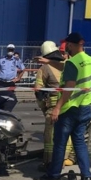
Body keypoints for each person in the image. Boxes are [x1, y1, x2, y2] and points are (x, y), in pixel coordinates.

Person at [36, 32, 91, 180]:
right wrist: (48, 61)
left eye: (67, 44)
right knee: (79, 142)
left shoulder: (72, 63)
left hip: (70, 108)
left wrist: (57, 107)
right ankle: (87, 177)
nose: (66, 46)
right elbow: (68, 67)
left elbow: (69, 86)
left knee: (60, 143)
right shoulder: (90, 60)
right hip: (85, 106)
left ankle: (53, 174)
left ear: (71, 44)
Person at [34, 40, 75, 172]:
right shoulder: (68, 65)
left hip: (52, 107)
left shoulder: (44, 68)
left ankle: (50, 163)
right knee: (66, 135)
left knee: (50, 136)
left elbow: (38, 91)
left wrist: (43, 107)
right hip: (68, 105)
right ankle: (64, 159)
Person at [0, 44, 24, 112]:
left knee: (10, 99)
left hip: (10, 83)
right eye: (9, 49)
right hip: (1, 82)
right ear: (7, 50)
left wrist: (18, 78)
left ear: (13, 50)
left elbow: (23, 69)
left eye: (11, 50)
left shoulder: (16, 60)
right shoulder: (1, 59)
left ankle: (6, 111)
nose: (10, 51)